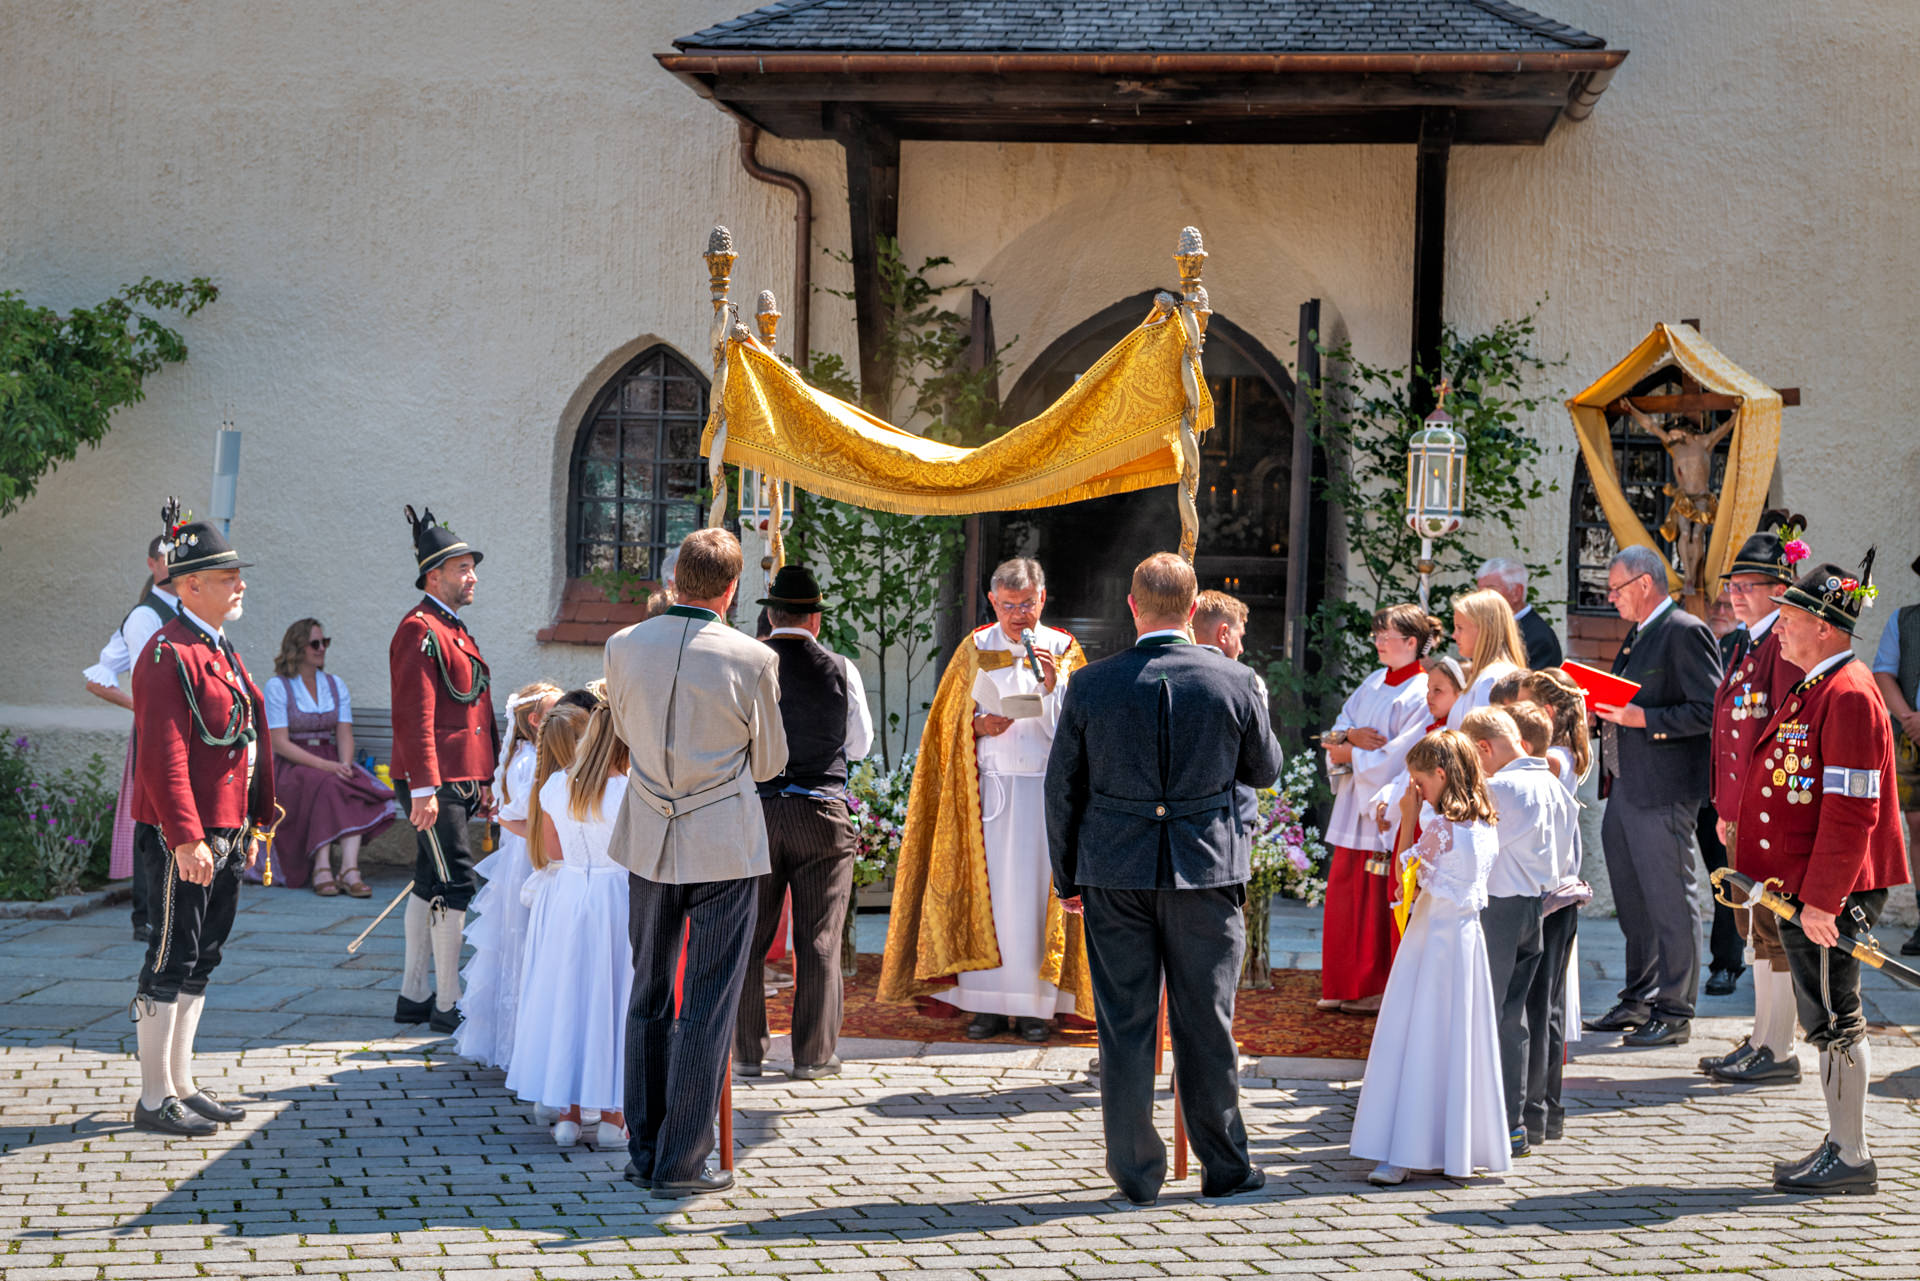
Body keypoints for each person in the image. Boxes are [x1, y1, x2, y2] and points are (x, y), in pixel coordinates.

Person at [1045, 552, 1283, 1207]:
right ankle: (1225, 1166)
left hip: (1113, 872)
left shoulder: (1090, 684)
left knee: (1125, 1025)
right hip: (1205, 870)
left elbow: (1061, 789)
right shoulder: (1234, 679)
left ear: (1132, 605)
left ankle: (1134, 1170)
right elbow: (1264, 770)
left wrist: (1067, 876)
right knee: (1206, 1021)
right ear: (1194, 606)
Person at [605, 528, 788, 1198]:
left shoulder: (623, 645)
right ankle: (682, 1159)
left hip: (650, 833)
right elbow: (770, 763)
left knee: (648, 991)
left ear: (675, 578)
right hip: (723, 843)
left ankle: (644, 1149)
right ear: (732, 589)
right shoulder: (754, 657)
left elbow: (623, 731)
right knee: (707, 1002)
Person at [1737, 555, 1908, 1194]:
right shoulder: (1820, 684)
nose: (1779, 626)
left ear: (1825, 627)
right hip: (1810, 884)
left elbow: (1851, 810)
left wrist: (1823, 900)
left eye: (1790, 616)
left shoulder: (1851, 694)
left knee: (1836, 1015)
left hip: (1834, 888)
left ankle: (1851, 1155)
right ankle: (1841, 1143)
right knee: (1825, 1014)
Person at [881, 559, 1095, 1043]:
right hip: (986, 801)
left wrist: (1052, 687)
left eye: (1027, 604)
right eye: (1008, 605)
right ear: (993, 601)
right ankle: (986, 1006)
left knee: (1035, 904)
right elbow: (942, 726)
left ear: (1043, 599)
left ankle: (1037, 1009)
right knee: (990, 901)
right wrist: (976, 725)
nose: (1019, 615)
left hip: (1044, 796)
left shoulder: (1064, 649)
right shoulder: (975, 647)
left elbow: (1083, 729)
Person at [126, 501, 276, 1135]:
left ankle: (182, 1083)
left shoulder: (216, 647)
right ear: (189, 587)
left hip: (226, 828)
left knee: (202, 956)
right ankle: (152, 1096)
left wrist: (254, 820)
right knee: (170, 956)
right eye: (226, 577)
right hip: (183, 834)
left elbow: (244, 740)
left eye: (238, 576)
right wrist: (187, 837)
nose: (240, 585)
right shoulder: (168, 653)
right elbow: (163, 756)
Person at [1349, 729, 1509, 1185]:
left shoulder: (1440, 827)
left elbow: (1407, 876)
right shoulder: (1486, 825)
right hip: (1466, 942)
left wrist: (1406, 819)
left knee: (1416, 1035)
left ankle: (1402, 1151)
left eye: (1420, 782)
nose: (1417, 791)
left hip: (1431, 942)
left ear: (1440, 774)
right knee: (1456, 1039)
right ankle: (1453, 1147)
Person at [733, 565, 873, 1080]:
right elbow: (859, 745)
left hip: (758, 811)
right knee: (819, 938)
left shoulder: (746, 664)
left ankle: (747, 1053)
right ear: (815, 619)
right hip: (820, 811)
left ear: (770, 616)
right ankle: (812, 1056)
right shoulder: (840, 668)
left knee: (749, 936)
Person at [1585, 545, 1723, 1047]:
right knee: (1633, 901)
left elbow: (1709, 710)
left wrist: (1642, 718)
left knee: (1669, 902)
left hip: (1662, 791)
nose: (1610, 598)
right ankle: (1639, 997)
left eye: (1616, 588)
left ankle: (1674, 1010)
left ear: (1644, 583)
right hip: (1625, 786)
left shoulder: (1684, 630)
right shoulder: (1640, 632)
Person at [1701, 522, 1809, 1082]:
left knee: (1774, 930)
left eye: (1748, 585)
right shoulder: (1746, 643)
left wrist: (1755, 812)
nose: (1735, 594)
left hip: (1769, 812)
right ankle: (1763, 1037)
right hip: (1742, 813)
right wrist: (1726, 809)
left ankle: (1779, 1048)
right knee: (1755, 931)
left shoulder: (1780, 647)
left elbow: (1787, 739)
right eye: (1733, 585)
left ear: (1779, 590)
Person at [388, 505, 499, 1035]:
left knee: (428, 879)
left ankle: (414, 994)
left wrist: (488, 776)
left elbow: (475, 710)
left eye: (471, 568)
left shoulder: (450, 628)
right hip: (435, 782)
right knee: (455, 880)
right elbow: (416, 717)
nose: (472, 576)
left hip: (459, 777)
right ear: (434, 576)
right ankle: (449, 1003)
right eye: (462, 569)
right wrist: (424, 787)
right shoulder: (419, 630)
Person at [507, 699, 632, 1151]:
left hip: (569, 895)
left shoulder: (556, 786)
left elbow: (554, 850)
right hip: (618, 896)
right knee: (613, 1001)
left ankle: (568, 1115)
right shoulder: (631, 790)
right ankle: (614, 1116)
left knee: (569, 999)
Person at [1461, 707, 1576, 1157]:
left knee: (1488, 1016)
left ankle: (1487, 1125)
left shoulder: (1502, 788)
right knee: (1515, 1020)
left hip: (1500, 908)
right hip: (1533, 908)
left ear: (1484, 747)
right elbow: (1563, 857)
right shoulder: (1553, 784)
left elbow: (1471, 850)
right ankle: (1514, 1125)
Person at [1317, 605, 1440, 1014]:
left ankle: (1371, 987)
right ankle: (1341, 982)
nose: (1379, 643)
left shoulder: (1421, 691)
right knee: (1345, 892)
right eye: (1377, 635)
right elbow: (1338, 729)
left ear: (1412, 642)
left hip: (1382, 802)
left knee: (1372, 898)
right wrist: (1349, 738)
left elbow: (1403, 753)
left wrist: (1350, 754)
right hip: (1355, 798)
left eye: (1387, 636)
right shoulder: (1373, 681)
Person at [454, 680, 564, 1072]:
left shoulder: (525, 755)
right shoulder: (530, 762)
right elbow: (524, 815)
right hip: (530, 854)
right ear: (535, 720)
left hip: (523, 852)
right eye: (556, 710)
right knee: (526, 941)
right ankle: (520, 1043)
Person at [83, 535, 180, 942]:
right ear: (152, 564)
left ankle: (172, 910)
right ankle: (149, 916)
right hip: (157, 730)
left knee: (176, 817)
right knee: (152, 820)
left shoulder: (188, 610)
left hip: (182, 730)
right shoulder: (145, 616)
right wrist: (139, 707)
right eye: (167, 558)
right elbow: (102, 679)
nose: (175, 565)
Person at [259, 618, 399, 893]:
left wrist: (344, 764)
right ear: (297, 647)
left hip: (331, 760)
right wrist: (327, 766)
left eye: (325, 642)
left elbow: (344, 733)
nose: (322, 648)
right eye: (315, 643)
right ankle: (326, 866)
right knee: (328, 784)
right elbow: (279, 743)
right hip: (292, 765)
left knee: (349, 783)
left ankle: (346, 867)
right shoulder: (278, 686)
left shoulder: (335, 685)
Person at [1869, 552, 1920, 954]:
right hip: (1910, 737)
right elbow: (1883, 671)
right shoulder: (1904, 620)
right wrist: (1908, 718)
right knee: (1917, 825)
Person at [1447, 589, 1529, 728]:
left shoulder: (1492, 679)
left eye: (1460, 628)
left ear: (1485, 630)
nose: (1454, 635)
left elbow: (1482, 736)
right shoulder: (1486, 675)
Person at [1478, 558, 1562, 670]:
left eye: (1490, 590)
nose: (1480, 598)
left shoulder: (1540, 638)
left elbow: (1529, 681)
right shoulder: (1486, 626)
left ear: (1516, 593)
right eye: (1479, 591)